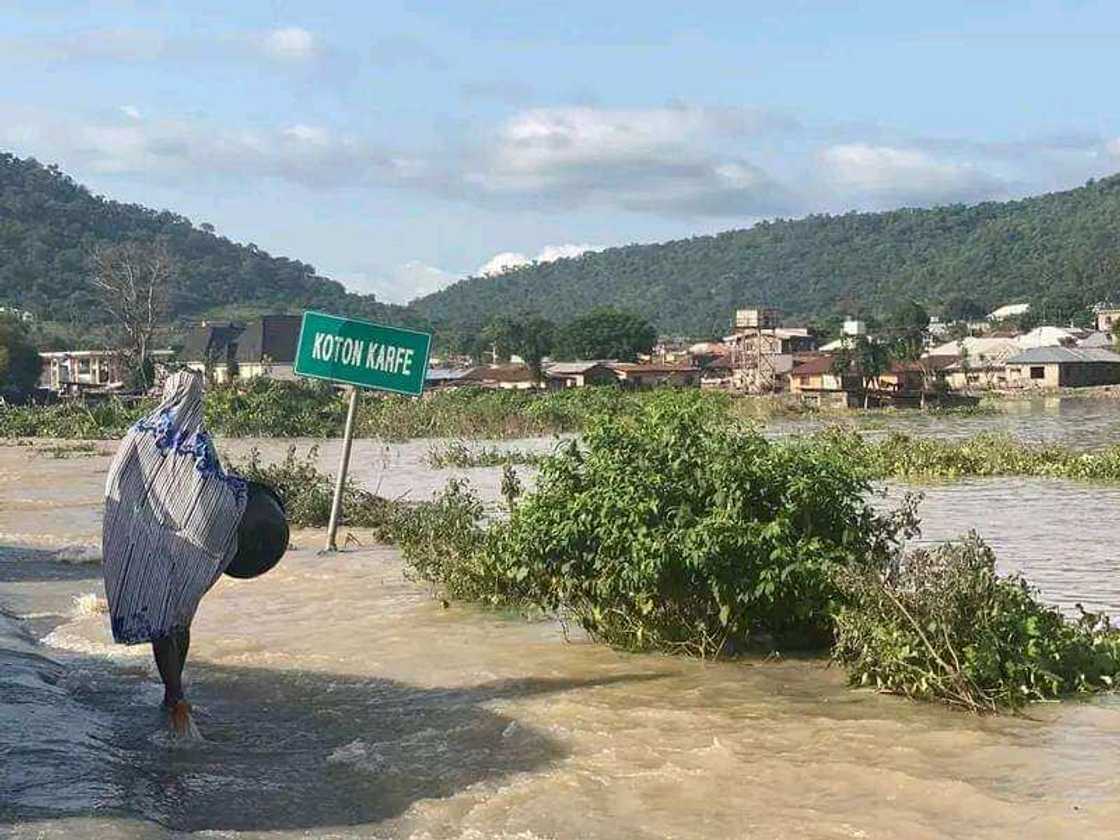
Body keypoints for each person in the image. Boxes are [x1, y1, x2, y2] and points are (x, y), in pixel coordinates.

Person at [102, 370, 247, 735]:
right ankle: (174, 692)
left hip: (149, 542)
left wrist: (129, 527)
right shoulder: (198, 442)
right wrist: (245, 496)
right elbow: (215, 496)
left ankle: (174, 693)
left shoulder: (141, 433)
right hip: (186, 550)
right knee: (179, 621)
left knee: (161, 622)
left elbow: (116, 485)